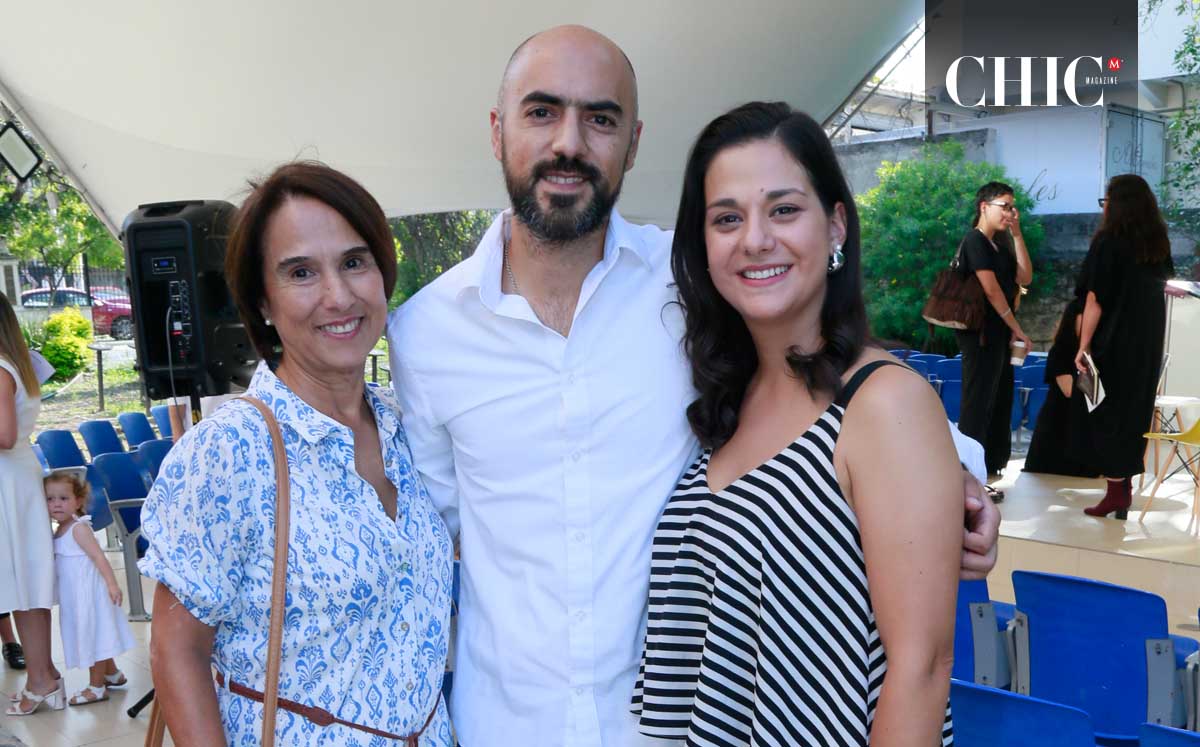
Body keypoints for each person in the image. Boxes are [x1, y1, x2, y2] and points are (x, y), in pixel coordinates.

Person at [388, 25, 998, 747]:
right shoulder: (425, 334)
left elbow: (846, 396)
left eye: (601, 118)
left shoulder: (688, 291)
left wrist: (959, 480)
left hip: (662, 732)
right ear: (498, 130)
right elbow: (432, 536)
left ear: (633, 143)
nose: (569, 144)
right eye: (542, 111)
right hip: (507, 727)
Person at [631, 101, 959, 746]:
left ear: (835, 225)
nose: (755, 239)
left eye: (783, 210)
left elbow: (921, 669)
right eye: (727, 218)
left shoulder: (883, 403)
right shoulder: (726, 398)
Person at [138, 162, 453, 745]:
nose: (339, 296)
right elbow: (175, 651)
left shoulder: (405, 424)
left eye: (354, 262)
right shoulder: (230, 451)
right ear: (262, 301)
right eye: (301, 272)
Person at [1069, 174, 1176, 519]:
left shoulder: (1108, 242)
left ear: (1116, 205)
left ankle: (1117, 492)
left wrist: (1083, 345)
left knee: (1106, 414)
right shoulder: (1157, 243)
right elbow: (1163, 283)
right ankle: (1122, 490)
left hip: (1113, 343)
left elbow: (1095, 299)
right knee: (1134, 413)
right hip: (1146, 344)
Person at [0, 292, 61, 716]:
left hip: (7, 479)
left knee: (22, 586)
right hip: (17, 475)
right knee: (27, 585)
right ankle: (46, 674)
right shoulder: (17, 364)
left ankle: (41, 680)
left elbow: (3, 435)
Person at [955, 181, 1033, 498]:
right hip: (980, 333)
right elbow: (991, 291)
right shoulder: (974, 240)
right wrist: (1017, 328)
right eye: (1004, 206)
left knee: (999, 399)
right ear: (984, 206)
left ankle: (988, 468)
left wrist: (1017, 234)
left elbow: (1025, 277)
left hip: (998, 333)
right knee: (977, 403)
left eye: (1012, 207)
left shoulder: (999, 244)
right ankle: (967, 475)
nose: (1010, 212)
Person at [44, 470, 135, 706]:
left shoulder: (78, 528)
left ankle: (96, 687)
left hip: (88, 595)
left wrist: (112, 584)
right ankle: (112, 673)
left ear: (78, 501)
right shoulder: (59, 529)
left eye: (63, 498)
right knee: (95, 633)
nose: (56, 504)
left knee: (93, 637)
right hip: (74, 597)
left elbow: (98, 557)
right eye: (50, 499)